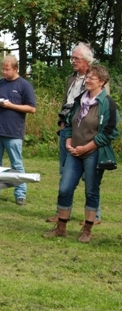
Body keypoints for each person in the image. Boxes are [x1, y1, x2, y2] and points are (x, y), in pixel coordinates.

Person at [43, 64, 119, 243]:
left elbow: (110, 133)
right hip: (74, 151)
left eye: (92, 77)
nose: (88, 80)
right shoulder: (79, 100)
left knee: (91, 190)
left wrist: (87, 148)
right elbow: (69, 123)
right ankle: (61, 227)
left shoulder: (108, 104)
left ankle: (87, 230)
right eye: (88, 77)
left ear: (102, 81)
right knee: (65, 188)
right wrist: (69, 141)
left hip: (93, 153)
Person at [47, 42, 102, 224]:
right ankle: (61, 212)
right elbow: (66, 102)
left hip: (88, 134)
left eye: (76, 58)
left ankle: (95, 215)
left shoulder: (96, 78)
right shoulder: (71, 78)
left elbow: (102, 107)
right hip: (67, 130)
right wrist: (63, 124)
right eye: (72, 58)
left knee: (90, 176)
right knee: (65, 173)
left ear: (86, 61)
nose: (73, 61)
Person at [0, 55, 36, 205]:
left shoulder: (24, 85)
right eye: (2, 69)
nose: (4, 72)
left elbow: (31, 108)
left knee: (16, 164)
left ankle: (20, 193)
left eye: (7, 69)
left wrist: (10, 106)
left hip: (13, 132)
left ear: (15, 69)